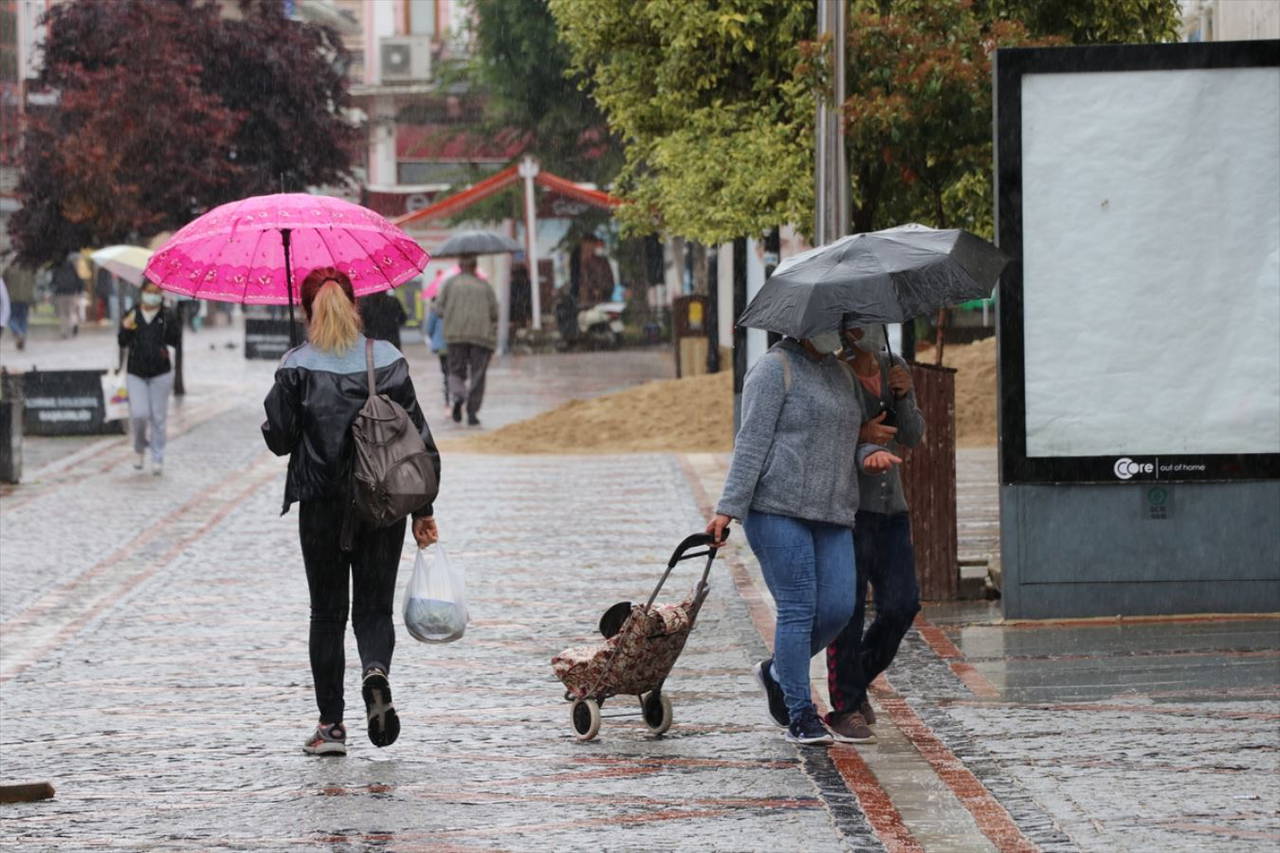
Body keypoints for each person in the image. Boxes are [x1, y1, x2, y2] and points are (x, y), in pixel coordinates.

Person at [262, 267, 441, 757]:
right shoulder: (388, 359)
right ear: (354, 305)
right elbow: (417, 441)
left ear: (306, 311)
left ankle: (331, 728)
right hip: (381, 504)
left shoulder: (297, 365)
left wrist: (283, 390)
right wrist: (423, 510)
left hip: (321, 506)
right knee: (373, 609)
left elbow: (280, 439)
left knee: (327, 614)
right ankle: (375, 671)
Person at [706, 328, 901, 745]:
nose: (839, 331)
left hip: (832, 510)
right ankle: (801, 714)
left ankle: (777, 671)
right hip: (776, 508)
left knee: (837, 608)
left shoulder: (841, 374)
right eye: (829, 322)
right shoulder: (772, 369)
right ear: (804, 324)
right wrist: (728, 508)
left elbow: (851, 438)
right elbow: (751, 442)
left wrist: (870, 453)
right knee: (798, 609)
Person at [823, 325, 926, 744]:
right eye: (857, 323)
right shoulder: (834, 374)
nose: (865, 331)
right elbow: (827, 441)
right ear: (846, 329)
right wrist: (862, 440)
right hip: (849, 511)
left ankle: (857, 678)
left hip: (892, 510)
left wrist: (904, 395)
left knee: (902, 604)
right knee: (847, 612)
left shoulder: (894, 366)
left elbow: (913, 435)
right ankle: (845, 707)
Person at [117, 280, 180, 475]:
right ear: (142, 292)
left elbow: (175, 341)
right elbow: (122, 342)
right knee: (139, 414)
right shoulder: (132, 313)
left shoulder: (166, 314)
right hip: (136, 372)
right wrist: (126, 328)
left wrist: (173, 320)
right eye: (149, 292)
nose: (152, 296)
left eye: (156, 292)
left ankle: (157, 456)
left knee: (158, 418)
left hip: (161, 373)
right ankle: (139, 448)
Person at [436, 253, 497, 427]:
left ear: (460, 266)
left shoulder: (449, 284)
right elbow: (494, 313)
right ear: (475, 266)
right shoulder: (485, 286)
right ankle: (472, 413)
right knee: (478, 374)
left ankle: (458, 396)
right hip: (481, 336)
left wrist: (452, 314)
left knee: (456, 371)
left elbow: (438, 309)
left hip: (455, 335)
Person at [1, 255, 35, 350]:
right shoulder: (29, 269)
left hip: (12, 298)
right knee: (23, 318)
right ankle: (22, 334)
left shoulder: (9, 269)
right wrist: (32, 298)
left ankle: (18, 332)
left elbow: (3, 283)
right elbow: (32, 284)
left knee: (10, 318)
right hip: (25, 298)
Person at [424, 297, 449, 414]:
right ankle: (456, 396)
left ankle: (448, 401)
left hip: (442, 346)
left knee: (446, 373)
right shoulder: (454, 307)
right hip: (455, 345)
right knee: (456, 372)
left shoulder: (435, 310)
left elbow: (429, 329)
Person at [51, 251, 84, 339]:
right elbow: (79, 280)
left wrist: (54, 290)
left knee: (63, 313)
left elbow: (53, 281)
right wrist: (80, 291)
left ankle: (64, 332)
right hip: (72, 293)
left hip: (60, 293)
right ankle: (74, 324)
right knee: (72, 312)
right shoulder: (73, 267)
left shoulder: (57, 267)